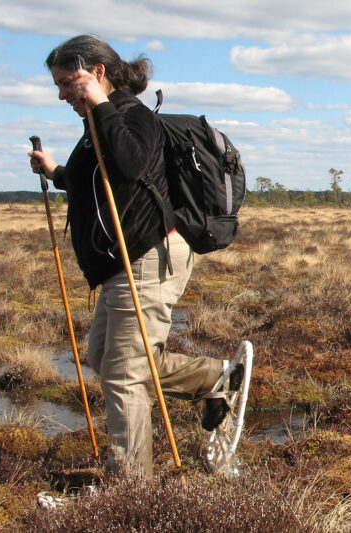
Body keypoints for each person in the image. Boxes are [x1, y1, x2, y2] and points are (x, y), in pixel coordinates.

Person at [28, 35, 246, 478]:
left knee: (124, 376)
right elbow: (101, 182)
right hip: (118, 265)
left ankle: (131, 490)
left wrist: (101, 107)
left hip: (146, 258)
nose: (62, 94)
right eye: (59, 85)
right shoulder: (101, 121)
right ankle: (213, 378)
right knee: (103, 356)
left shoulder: (132, 115)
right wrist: (55, 172)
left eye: (68, 82)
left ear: (96, 73)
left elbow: (129, 163)